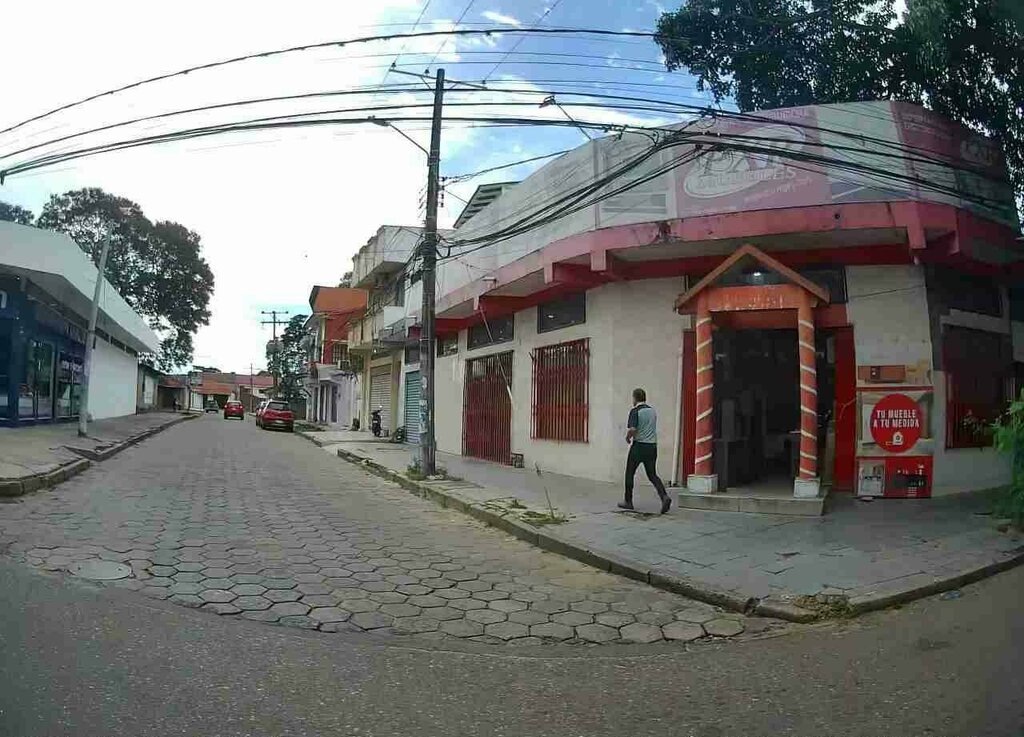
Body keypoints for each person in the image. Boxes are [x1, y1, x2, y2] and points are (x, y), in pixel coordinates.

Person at [620, 387, 671, 514]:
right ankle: (664, 496)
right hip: (652, 446)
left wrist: (627, 437)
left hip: (639, 446)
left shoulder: (635, 411)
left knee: (630, 473)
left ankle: (628, 501)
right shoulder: (652, 411)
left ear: (635, 398)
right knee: (652, 474)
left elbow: (632, 429)